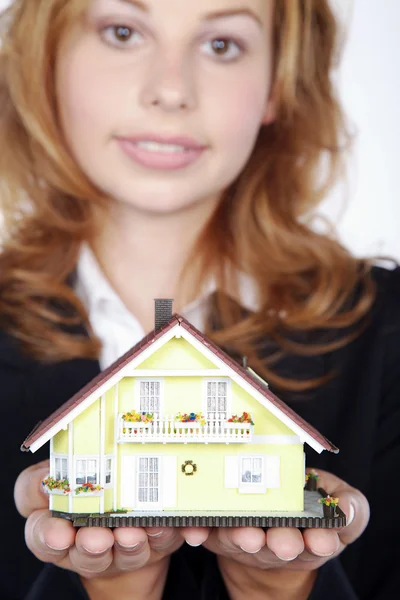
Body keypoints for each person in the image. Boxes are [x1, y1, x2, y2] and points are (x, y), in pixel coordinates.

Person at [0, 0, 398, 598]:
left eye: (221, 45)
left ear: (276, 87)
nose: (170, 91)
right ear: (46, 61)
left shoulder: (387, 331)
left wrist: (281, 591)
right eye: (122, 30)